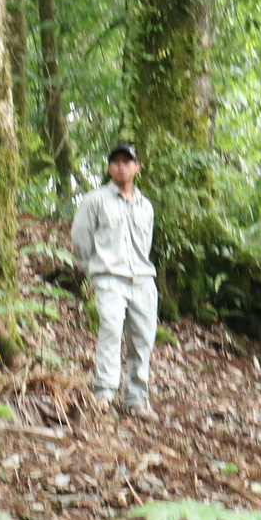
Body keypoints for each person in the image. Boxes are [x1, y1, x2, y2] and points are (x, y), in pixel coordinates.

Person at [71, 142, 158, 417]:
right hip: (109, 277)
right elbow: (80, 237)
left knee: (143, 338)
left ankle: (136, 398)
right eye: (116, 161)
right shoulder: (95, 200)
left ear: (137, 168)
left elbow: (147, 243)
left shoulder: (146, 206)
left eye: (127, 161)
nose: (121, 166)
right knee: (110, 330)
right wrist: (91, 268)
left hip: (143, 280)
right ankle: (104, 394)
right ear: (109, 167)